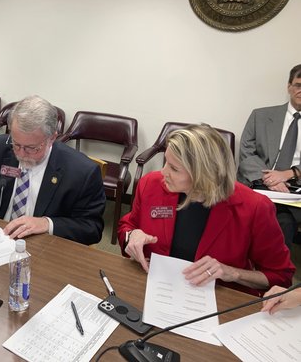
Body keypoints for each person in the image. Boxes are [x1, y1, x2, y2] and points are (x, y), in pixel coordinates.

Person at [119, 124, 294, 295]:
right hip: (155, 288)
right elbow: (128, 226)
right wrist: (131, 236)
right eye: (166, 162)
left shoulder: (254, 207)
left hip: (217, 299)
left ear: (204, 174)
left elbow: (280, 276)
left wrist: (232, 273)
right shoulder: (152, 184)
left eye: (174, 168)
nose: (163, 172)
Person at [0, 95, 106, 246]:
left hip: (45, 248)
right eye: (16, 144)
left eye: (31, 148)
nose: (21, 154)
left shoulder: (82, 171)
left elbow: (91, 227)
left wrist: (46, 223)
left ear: (52, 138)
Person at [238, 64, 301, 248]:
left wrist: (289, 174)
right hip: (260, 183)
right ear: (289, 86)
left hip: (296, 188)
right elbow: (246, 152)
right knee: (260, 215)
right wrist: (270, 179)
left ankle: (274, 274)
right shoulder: (261, 116)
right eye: (298, 85)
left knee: (283, 222)